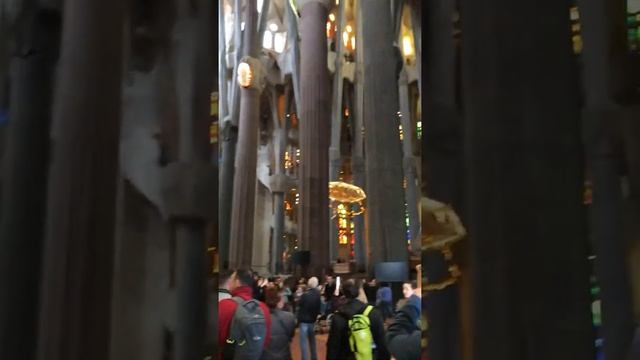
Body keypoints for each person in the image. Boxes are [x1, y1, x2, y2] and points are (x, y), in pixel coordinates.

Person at [327, 279, 390, 360]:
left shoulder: (338, 317)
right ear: (359, 291)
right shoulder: (373, 313)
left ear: (343, 293)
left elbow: (333, 348)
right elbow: (382, 344)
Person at [219, 269, 272, 359]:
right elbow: (265, 341)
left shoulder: (224, 305)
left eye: (231, 279)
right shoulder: (263, 308)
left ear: (237, 281)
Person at [261, 286, 296, 360]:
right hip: (284, 356)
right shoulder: (289, 317)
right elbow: (291, 336)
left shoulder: (259, 318)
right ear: (279, 300)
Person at [298, 277, 322, 360]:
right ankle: (314, 357)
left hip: (304, 320)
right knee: (312, 342)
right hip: (312, 320)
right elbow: (318, 308)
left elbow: (300, 305)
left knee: (304, 343)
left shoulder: (305, 295)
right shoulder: (318, 295)